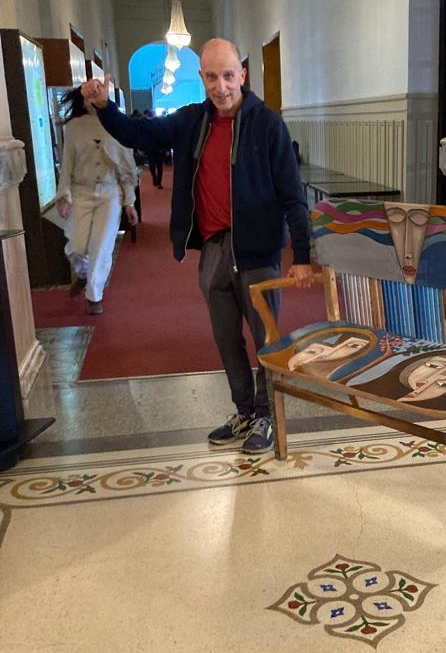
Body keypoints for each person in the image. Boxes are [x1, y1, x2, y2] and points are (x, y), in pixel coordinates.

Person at [81, 38, 313, 454]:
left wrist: (303, 255)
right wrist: (104, 107)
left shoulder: (268, 125)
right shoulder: (193, 120)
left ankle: (267, 416)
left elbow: (293, 195)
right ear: (202, 78)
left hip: (258, 253)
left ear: (242, 75)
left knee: (267, 341)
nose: (221, 86)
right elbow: (139, 134)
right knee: (226, 338)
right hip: (214, 250)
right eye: (211, 77)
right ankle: (244, 411)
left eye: (228, 76)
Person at [55, 87, 138, 315]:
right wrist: (64, 196)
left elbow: (125, 168)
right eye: (88, 96)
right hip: (81, 191)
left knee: (101, 247)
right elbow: (67, 164)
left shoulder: (117, 124)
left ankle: (94, 296)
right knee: (77, 245)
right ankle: (83, 273)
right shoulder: (73, 127)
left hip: (110, 193)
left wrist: (129, 202)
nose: (92, 101)